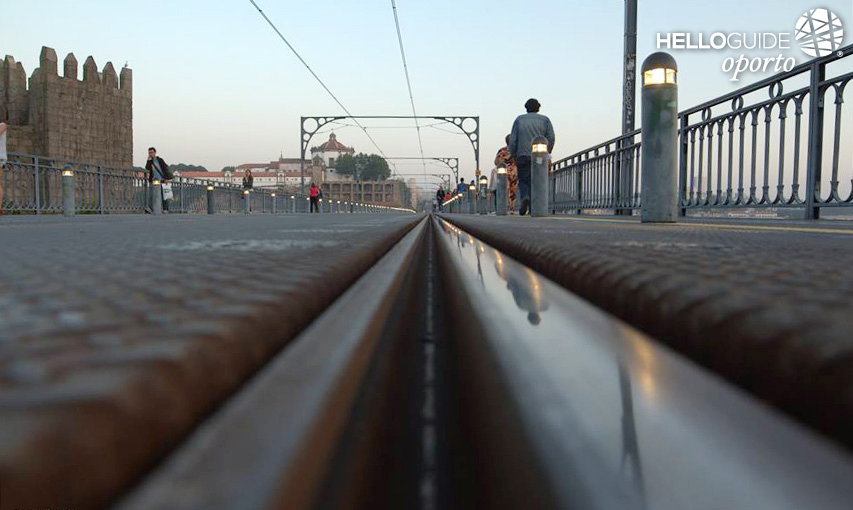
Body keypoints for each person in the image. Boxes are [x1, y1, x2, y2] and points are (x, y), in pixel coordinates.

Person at [509, 98, 555, 215]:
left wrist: (513, 154)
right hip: (539, 156)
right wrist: (547, 151)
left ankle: (525, 196)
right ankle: (534, 207)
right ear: (538, 108)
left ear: (526, 108)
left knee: (524, 180)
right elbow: (551, 137)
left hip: (523, 155)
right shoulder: (545, 120)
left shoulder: (519, 120)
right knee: (537, 180)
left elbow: (513, 140)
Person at [495, 134, 519, 213]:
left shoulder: (502, 150)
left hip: (504, 173)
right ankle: (512, 207)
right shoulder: (517, 150)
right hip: (515, 173)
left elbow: (496, 162)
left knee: (505, 190)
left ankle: (504, 207)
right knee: (513, 191)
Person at [145, 147, 172, 212]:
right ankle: (151, 208)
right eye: (149, 153)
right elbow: (147, 168)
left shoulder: (160, 160)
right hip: (154, 180)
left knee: (163, 194)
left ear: (155, 152)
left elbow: (165, 168)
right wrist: (148, 160)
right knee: (152, 193)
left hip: (162, 179)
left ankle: (165, 208)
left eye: (152, 152)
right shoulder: (150, 161)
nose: (150, 154)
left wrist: (166, 178)